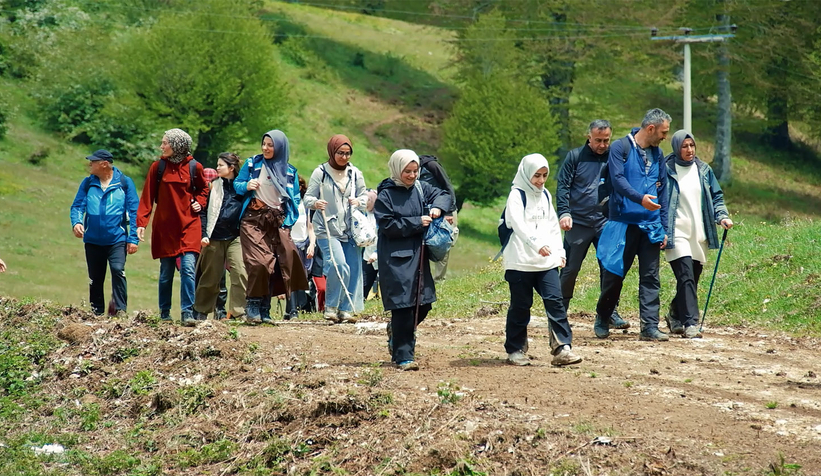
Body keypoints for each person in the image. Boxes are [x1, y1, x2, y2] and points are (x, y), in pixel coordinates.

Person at [595, 108, 671, 341]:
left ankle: (649, 327)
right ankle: (603, 316)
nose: (664, 137)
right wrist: (640, 199)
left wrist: (665, 228)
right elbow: (617, 180)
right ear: (651, 129)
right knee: (614, 275)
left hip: (650, 226)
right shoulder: (621, 147)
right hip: (623, 224)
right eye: (663, 132)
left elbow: (664, 190)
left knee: (650, 277)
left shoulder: (658, 154)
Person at [502, 153, 582, 367]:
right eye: (536, 175)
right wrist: (537, 244)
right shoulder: (516, 196)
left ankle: (562, 347)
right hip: (520, 261)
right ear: (526, 173)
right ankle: (515, 349)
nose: (540, 180)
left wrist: (560, 252)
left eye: (544, 175)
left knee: (555, 301)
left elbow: (552, 227)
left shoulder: (545, 194)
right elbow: (518, 224)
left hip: (545, 262)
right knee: (521, 305)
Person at [374, 149, 451, 371]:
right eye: (407, 171)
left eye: (415, 171)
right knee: (403, 308)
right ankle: (403, 356)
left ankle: (397, 334)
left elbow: (443, 194)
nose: (412, 175)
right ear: (397, 170)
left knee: (424, 304)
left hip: (418, 258)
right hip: (395, 259)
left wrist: (437, 207)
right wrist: (417, 222)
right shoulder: (386, 195)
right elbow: (387, 226)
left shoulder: (419, 188)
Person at [556, 119, 627, 329]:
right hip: (578, 222)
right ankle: (559, 313)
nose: (603, 145)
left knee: (610, 269)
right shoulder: (575, 157)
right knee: (569, 270)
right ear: (589, 137)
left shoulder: (615, 157)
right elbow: (563, 187)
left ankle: (609, 313)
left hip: (606, 223)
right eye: (598, 140)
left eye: (606, 140)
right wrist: (564, 213)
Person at [234, 130, 309, 324]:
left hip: (277, 221)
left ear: (280, 147)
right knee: (259, 262)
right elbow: (237, 184)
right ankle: (252, 304)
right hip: (253, 219)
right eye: (264, 144)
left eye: (270, 145)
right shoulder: (252, 164)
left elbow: (294, 200)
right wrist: (247, 185)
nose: (265, 148)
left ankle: (264, 309)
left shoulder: (289, 172)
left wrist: (287, 223)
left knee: (276, 264)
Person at [663, 130, 732, 338]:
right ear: (676, 148)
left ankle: (674, 313)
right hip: (676, 232)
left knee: (691, 278)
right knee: (685, 276)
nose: (689, 150)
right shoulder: (666, 169)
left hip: (699, 234)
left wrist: (722, 216)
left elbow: (716, 197)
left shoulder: (703, 170)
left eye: (692, 145)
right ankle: (690, 323)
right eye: (684, 146)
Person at [137, 129, 209, 325]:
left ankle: (187, 313)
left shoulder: (195, 167)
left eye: (165, 143)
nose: (161, 147)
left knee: (187, 268)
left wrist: (200, 202)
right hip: (165, 228)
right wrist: (141, 223)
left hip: (189, 225)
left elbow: (204, 189)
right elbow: (147, 197)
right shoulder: (157, 167)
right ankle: (165, 313)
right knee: (166, 273)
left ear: (177, 145)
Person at [303, 134, 369, 324]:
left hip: (351, 229)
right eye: (341, 153)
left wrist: (359, 201)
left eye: (348, 153)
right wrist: (316, 202)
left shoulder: (355, 173)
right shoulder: (320, 172)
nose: (345, 157)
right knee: (338, 265)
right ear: (332, 151)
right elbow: (308, 199)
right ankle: (331, 307)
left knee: (353, 269)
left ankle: (345, 309)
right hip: (327, 228)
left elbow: (365, 196)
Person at [70, 149, 139, 316]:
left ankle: (120, 310)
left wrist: (133, 239)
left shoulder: (124, 182)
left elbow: (135, 211)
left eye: (93, 162)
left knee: (117, 270)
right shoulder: (87, 183)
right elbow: (77, 206)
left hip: (117, 239)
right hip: (93, 240)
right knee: (95, 278)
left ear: (104, 164)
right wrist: (77, 222)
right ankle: (97, 312)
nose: (89, 165)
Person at [193, 154, 248, 322]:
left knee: (240, 271)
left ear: (231, 168)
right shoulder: (212, 186)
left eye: (221, 165)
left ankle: (239, 312)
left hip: (235, 237)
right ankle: (201, 311)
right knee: (211, 276)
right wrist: (204, 234)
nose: (217, 168)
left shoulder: (242, 188)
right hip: (214, 237)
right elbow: (203, 212)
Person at [418, 155, 458, 282]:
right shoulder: (409, 170)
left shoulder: (431, 165)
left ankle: (439, 279)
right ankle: (423, 277)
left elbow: (447, 185)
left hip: (445, 208)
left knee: (442, 242)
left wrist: (449, 212)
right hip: (427, 209)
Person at [284, 175, 316, 320]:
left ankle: (295, 308)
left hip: (303, 244)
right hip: (290, 243)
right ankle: (292, 311)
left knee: (301, 278)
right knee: (290, 277)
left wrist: (312, 244)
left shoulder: (305, 205)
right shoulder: (286, 203)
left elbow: (310, 227)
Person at [362, 189, 379, 299]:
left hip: (381, 254)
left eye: (369, 200)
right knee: (364, 284)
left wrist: (377, 253)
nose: (366, 203)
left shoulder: (381, 215)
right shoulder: (362, 215)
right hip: (367, 256)